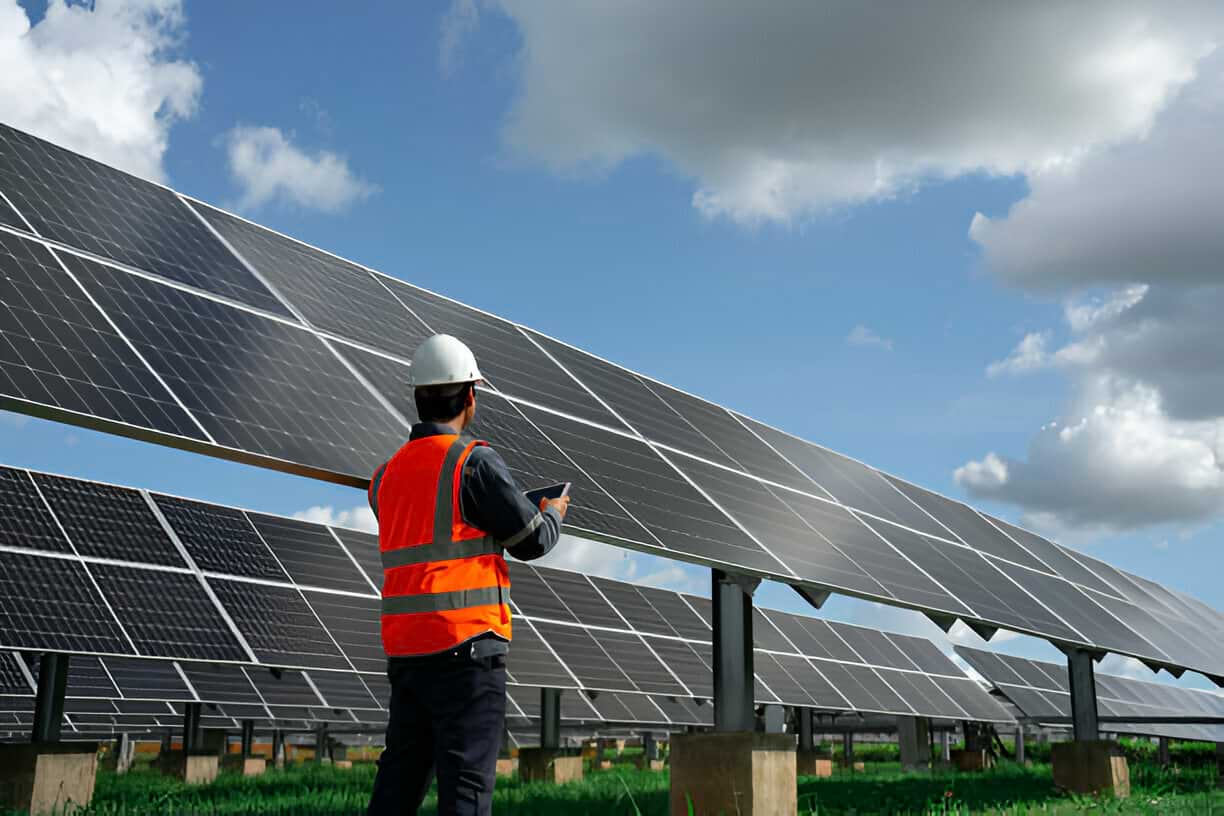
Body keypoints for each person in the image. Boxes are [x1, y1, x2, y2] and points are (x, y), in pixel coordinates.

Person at [365, 334, 569, 816]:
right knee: (466, 791)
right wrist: (554, 511)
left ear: (417, 397)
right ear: (470, 397)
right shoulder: (472, 462)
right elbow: (532, 540)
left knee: (398, 784)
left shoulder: (385, 477)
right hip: (467, 650)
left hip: (407, 655)